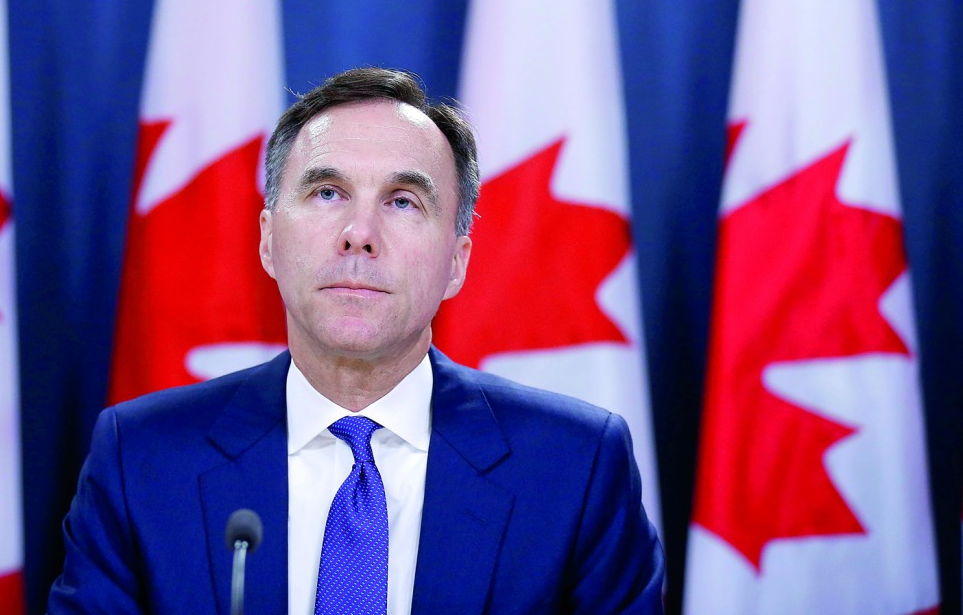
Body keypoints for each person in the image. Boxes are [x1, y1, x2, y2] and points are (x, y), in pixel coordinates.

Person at [47, 67, 664, 614]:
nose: (359, 234)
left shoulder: (575, 468)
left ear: (457, 262)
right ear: (267, 239)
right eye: (327, 193)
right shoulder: (142, 461)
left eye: (402, 201)